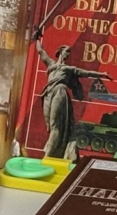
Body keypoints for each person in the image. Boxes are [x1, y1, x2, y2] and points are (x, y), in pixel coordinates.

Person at [33, 22, 112, 161]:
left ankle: (48, 155)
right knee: (49, 125)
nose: (68, 54)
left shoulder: (69, 69)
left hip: (60, 93)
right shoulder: (50, 64)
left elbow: (86, 73)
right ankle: (55, 152)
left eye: (69, 52)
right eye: (67, 51)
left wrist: (103, 74)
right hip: (48, 94)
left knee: (55, 124)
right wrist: (37, 37)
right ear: (61, 52)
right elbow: (40, 50)